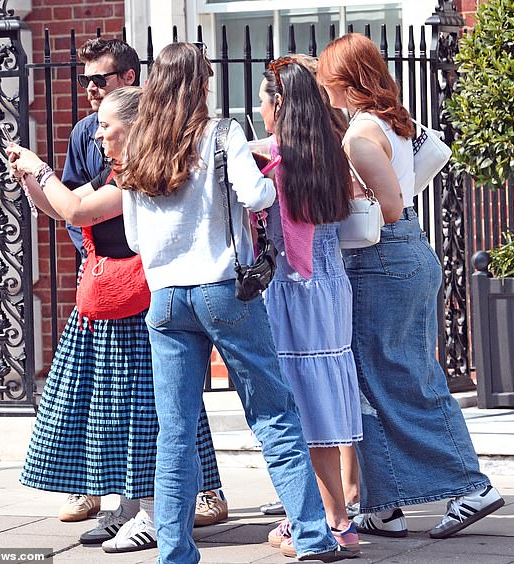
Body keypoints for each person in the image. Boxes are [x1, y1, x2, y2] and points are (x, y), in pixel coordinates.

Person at [119, 42, 354, 563]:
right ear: (201, 84)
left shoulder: (137, 147)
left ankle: (174, 551)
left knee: (175, 432)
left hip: (164, 301)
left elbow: (135, 239)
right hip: (223, 289)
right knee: (273, 414)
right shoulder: (223, 133)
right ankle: (315, 537)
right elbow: (259, 197)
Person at [8, 86, 225, 554]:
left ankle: (151, 511)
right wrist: (30, 178)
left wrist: (40, 168)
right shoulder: (118, 169)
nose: (97, 132)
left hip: (141, 304)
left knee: (143, 412)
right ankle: (128, 508)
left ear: (134, 125)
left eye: (106, 124)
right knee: (113, 412)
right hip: (113, 302)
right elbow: (60, 205)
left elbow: (77, 208)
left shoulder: (142, 172)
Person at [317, 33, 504, 540]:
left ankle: (470, 485)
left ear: (344, 78)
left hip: (383, 259)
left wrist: (351, 191)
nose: (320, 84)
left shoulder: (359, 133)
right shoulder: (393, 121)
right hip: (402, 256)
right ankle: (385, 502)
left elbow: (391, 207)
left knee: (400, 379)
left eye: (326, 74)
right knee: (377, 381)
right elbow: (430, 159)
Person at [257, 57, 362, 559]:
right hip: (331, 284)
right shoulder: (329, 152)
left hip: (293, 287)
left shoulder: (276, 160)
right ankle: (332, 510)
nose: (259, 110)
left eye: (262, 100)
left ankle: (334, 521)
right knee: (326, 398)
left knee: (304, 408)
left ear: (279, 105)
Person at [61, 37, 140, 256]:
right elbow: (71, 203)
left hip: (147, 262)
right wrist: (90, 255)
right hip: (101, 266)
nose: (91, 88)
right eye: (85, 81)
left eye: (98, 79)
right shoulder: (83, 131)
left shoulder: (155, 126)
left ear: (129, 77)